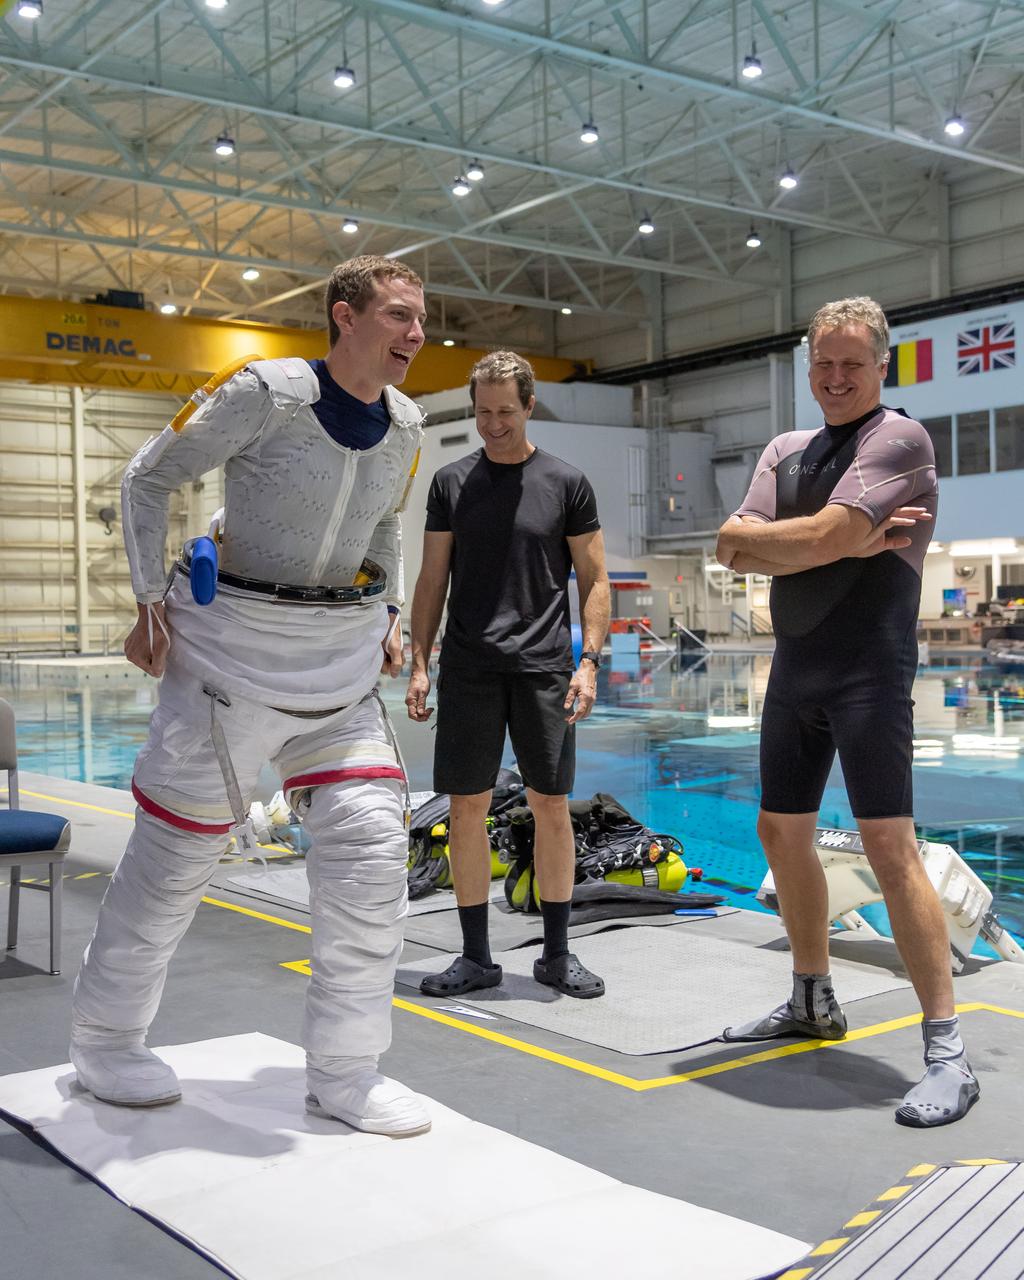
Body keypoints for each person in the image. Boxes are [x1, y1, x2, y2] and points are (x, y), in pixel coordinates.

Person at [70, 256, 432, 1138]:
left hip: (339, 660)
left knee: (373, 845)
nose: (416, 336)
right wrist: (151, 602)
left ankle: (346, 1069)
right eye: (397, 316)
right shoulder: (264, 393)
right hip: (231, 651)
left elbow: (384, 521)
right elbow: (148, 476)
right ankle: (106, 1040)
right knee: (173, 861)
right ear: (343, 316)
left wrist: (387, 610)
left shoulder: (409, 423)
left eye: (421, 319)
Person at [714, 296, 979, 1128]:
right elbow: (728, 545)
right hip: (794, 672)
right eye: (822, 364)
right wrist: (819, 538)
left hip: (869, 671)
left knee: (889, 847)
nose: (834, 378)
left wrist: (801, 539)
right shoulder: (788, 447)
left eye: (851, 365)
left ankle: (947, 1052)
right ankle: (811, 998)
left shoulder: (899, 439)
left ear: (881, 367)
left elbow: (813, 537)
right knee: (778, 833)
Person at [405, 351, 611, 999]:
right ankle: (475, 958)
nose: (492, 424)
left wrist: (589, 661)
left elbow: (596, 579)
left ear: (528, 406)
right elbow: (432, 577)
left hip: (545, 669)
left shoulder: (566, 483)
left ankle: (555, 953)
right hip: (468, 668)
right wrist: (417, 660)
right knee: (466, 810)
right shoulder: (450, 483)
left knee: (553, 807)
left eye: (504, 411)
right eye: (482, 411)